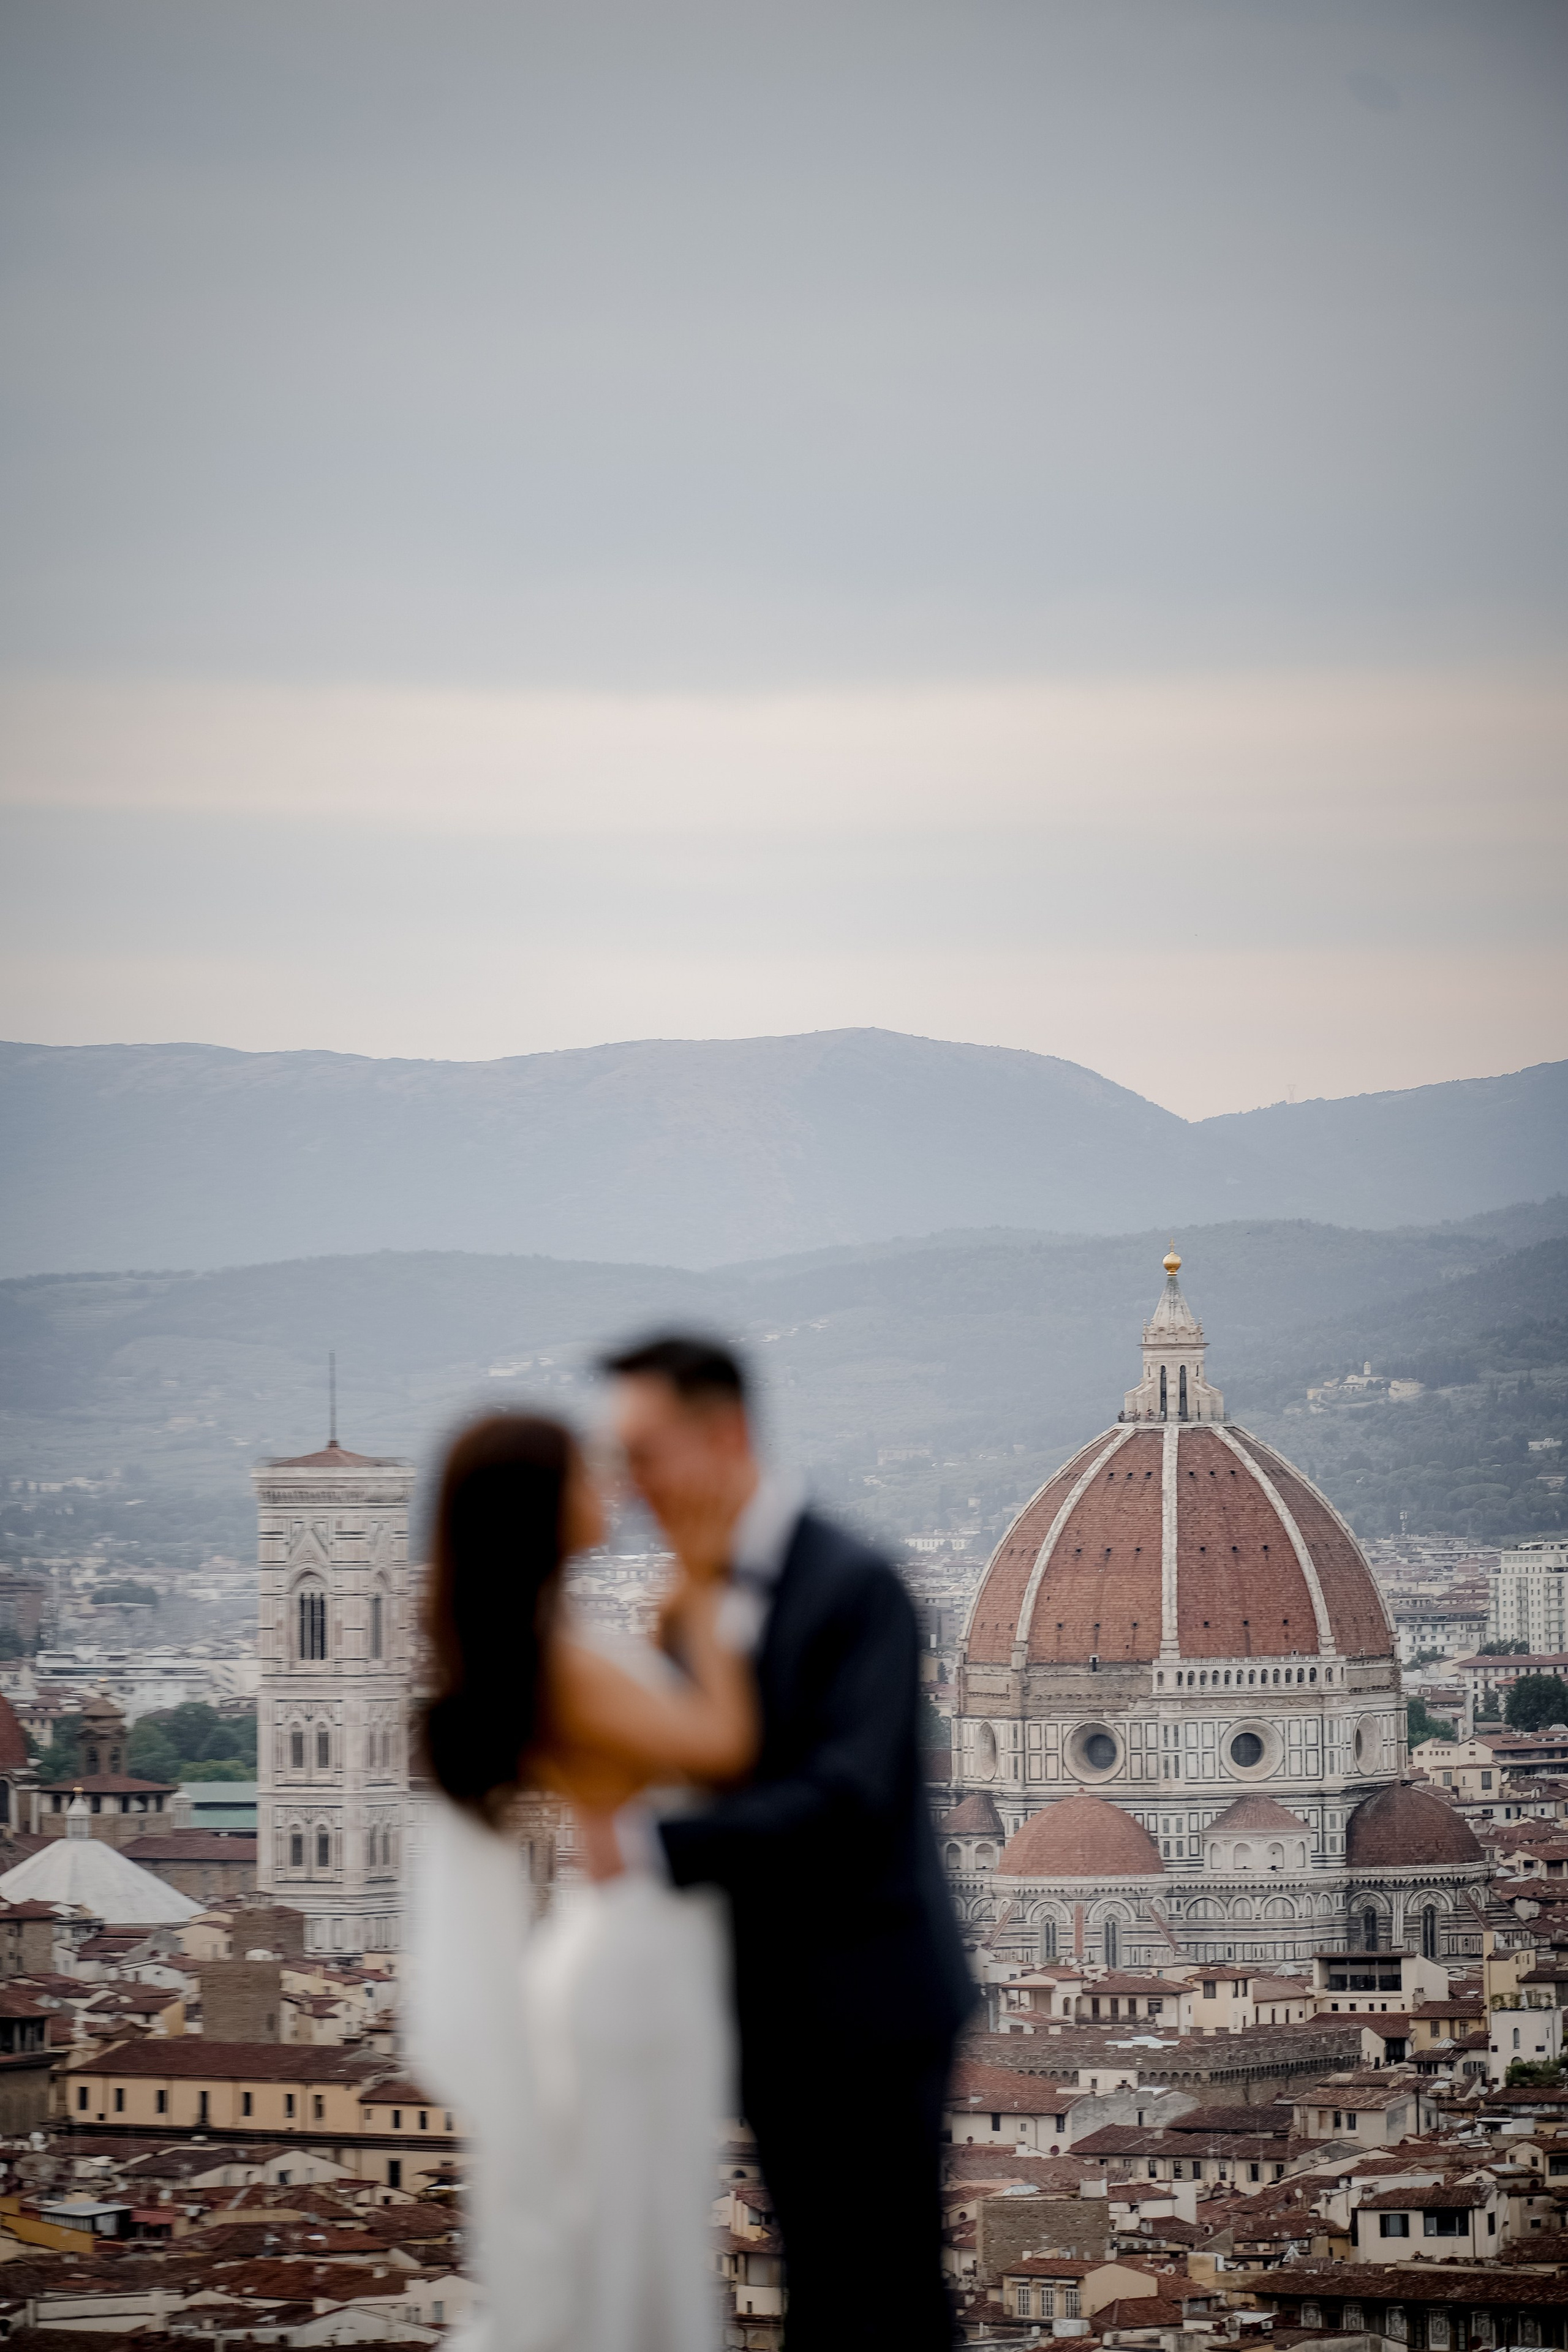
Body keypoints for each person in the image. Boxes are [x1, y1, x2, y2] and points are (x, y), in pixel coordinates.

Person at [603, 1335, 974, 2352]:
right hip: (764, 2012)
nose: (629, 1487)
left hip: (876, 2003)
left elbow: (850, 1798)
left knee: (891, 2293)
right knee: (819, 2289)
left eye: (643, 1453)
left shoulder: (858, 1584)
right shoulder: (685, 1606)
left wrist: (650, 1846)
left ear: (722, 1433)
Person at [406, 1411, 757, 2352]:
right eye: (580, 1477)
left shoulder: (546, 1648)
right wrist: (703, 1575)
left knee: (623, 2238)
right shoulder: (562, 1661)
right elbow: (726, 1748)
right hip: (629, 1973)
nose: (605, 1490)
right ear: (538, 1510)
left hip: (623, 1950)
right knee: (625, 2251)